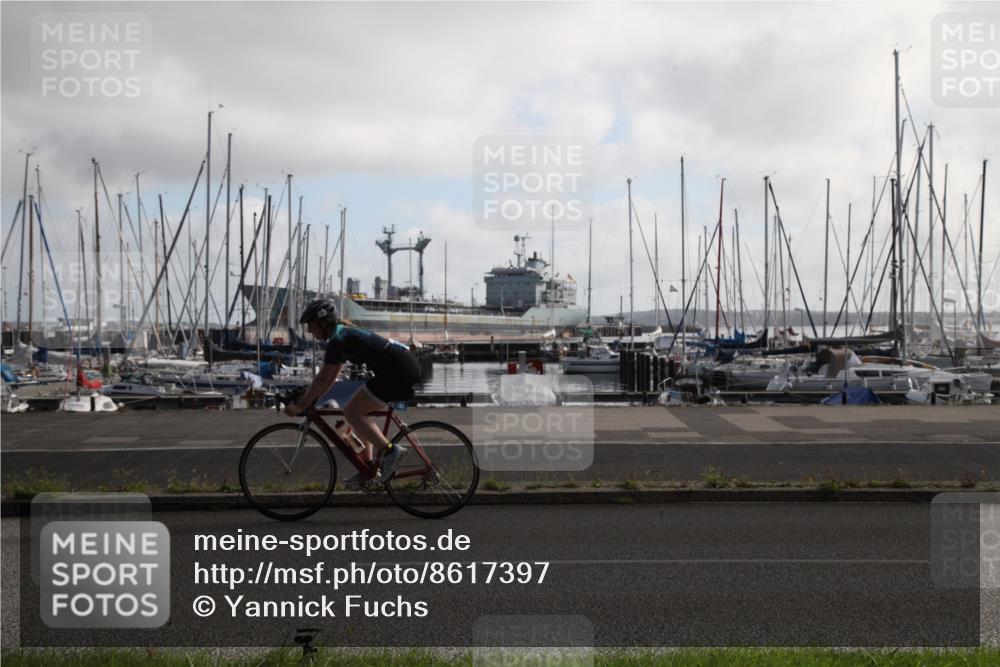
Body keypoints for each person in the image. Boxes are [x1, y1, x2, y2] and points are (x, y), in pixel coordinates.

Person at [284, 298, 422, 487]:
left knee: (351, 412)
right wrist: (312, 398)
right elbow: (331, 377)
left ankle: (391, 451)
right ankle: (368, 469)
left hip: (396, 369)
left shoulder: (338, 339)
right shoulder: (341, 335)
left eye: (310, 325)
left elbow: (323, 378)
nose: (309, 331)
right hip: (400, 366)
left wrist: (301, 405)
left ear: (323, 323)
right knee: (356, 415)